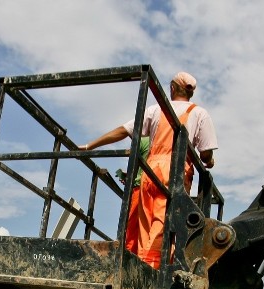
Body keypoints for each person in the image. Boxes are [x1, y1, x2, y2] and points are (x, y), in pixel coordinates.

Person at [81, 71, 217, 268]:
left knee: (146, 227)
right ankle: (152, 273)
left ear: (172, 88)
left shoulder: (156, 110)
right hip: (175, 174)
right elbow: (205, 154)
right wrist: (209, 161)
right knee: (164, 227)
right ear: (191, 93)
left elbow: (123, 131)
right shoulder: (199, 113)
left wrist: (90, 145)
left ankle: (140, 266)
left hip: (150, 172)